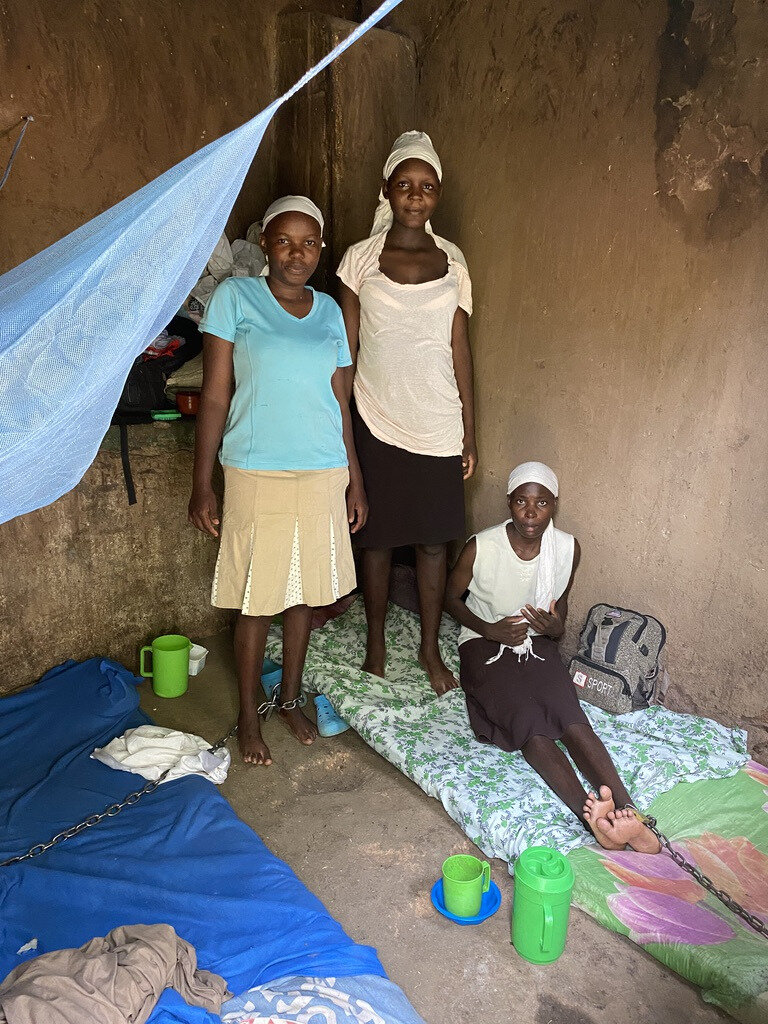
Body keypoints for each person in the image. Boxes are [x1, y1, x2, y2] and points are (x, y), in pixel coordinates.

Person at [188, 196, 367, 766]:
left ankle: (288, 697)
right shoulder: (234, 299)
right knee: (257, 598)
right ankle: (248, 712)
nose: (298, 254)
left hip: (322, 470)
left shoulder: (331, 312)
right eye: (286, 241)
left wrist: (355, 481)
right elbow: (216, 395)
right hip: (256, 467)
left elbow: (341, 401)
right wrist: (203, 482)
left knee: (307, 592)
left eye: (310, 243)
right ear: (264, 244)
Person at [445, 462, 660, 853]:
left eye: (541, 503)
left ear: (553, 506)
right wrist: (490, 629)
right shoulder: (482, 546)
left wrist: (552, 627)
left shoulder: (566, 548)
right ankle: (592, 819)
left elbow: (559, 621)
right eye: (522, 502)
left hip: (535, 642)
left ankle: (632, 817)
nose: (531, 512)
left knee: (571, 718)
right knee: (530, 724)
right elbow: (449, 599)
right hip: (483, 642)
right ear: (509, 503)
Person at [338, 130, 476, 695]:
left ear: (437, 194)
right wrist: (341, 425)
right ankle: (375, 641)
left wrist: (470, 430)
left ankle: (427, 648)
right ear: (387, 192)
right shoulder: (358, 260)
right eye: (404, 185)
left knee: (432, 543)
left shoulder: (454, 261)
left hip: (439, 420)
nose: (415, 196)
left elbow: (460, 348)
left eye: (427, 186)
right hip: (375, 413)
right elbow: (343, 351)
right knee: (375, 538)